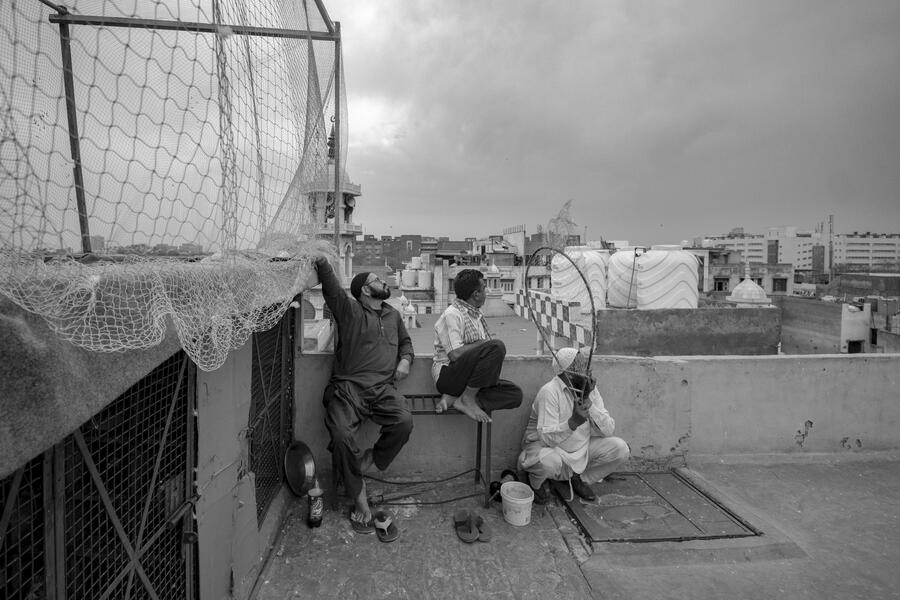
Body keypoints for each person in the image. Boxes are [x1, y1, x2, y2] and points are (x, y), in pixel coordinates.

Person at [315, 256, 414, 533]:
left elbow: (406, 343)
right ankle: (360, 501)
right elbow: (333, 291)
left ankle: (368, 461)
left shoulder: (393, 315)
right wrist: (322, 261)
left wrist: (405, 360)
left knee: (404, 421)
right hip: (348, 390)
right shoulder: (351, 311)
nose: (383, 282)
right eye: (376, 280)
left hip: (383, 390)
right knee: (341, 436)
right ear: (365, 291)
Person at [517, 347, 630, 504]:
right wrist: (573, 423)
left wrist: (588, 402)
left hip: (580, 450)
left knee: (621, 449)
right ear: (568, 373)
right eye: (582, 366)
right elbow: (546, 439)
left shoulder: (590, 389)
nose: (588, 370)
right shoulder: (549, 391)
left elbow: (608, 430)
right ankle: (535, 484)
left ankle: (578, 479)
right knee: (549, 463)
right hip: (548, 449)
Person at [432, 268, 523, 422]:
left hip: (469, 380)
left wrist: (483, 346)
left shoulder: (475, 315)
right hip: (448, 375)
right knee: (496, 347)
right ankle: (467, 399)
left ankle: (457, 399)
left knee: (515, 394)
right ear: (476, 294)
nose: (486, 292)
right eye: (484, 289)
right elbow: (455, 355)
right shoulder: (452, 314)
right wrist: (482, 344)